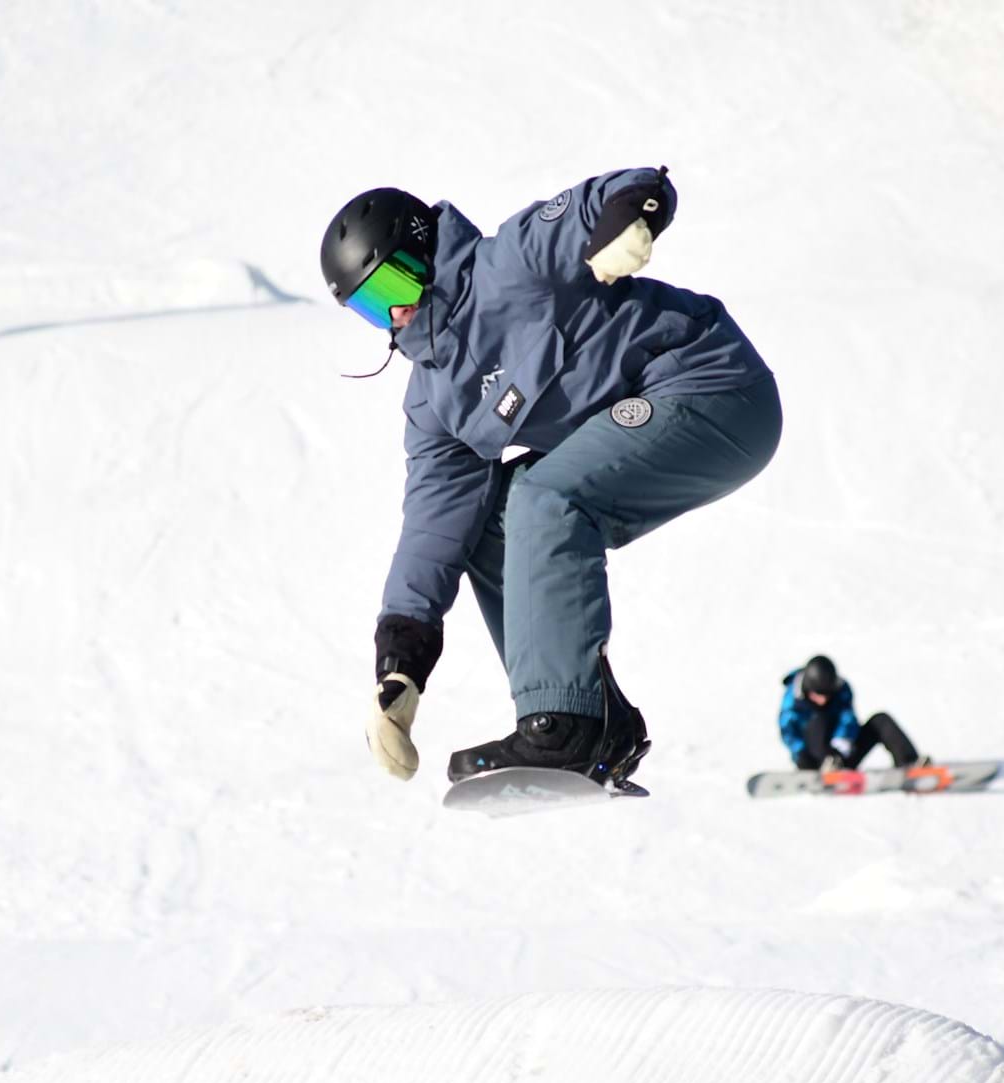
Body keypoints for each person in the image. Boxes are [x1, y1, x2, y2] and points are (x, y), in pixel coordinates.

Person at [320, 169, 781, 786]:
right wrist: (401, 659)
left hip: (715, 384)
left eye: (392, 285)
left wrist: (628, 221)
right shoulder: (435, 401)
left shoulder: (511, 264)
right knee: (494, 524)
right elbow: (433, 526)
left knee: (545, 497)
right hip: (653, 422)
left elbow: (620, 193)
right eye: (371, 306)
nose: (395, 312)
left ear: (423, 253)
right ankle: (583, 715)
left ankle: (566, 727)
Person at [778, 655, 924, 772]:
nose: (823, 700)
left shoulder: (841, 689)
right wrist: (801, 754)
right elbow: (788, 731)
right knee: (818, 720)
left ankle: (910, 764)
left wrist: (839, 746)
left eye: (827, 695)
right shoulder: (792, 699)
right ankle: (825, 767)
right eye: (819, 695)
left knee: (880, 720)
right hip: (812, 761)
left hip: (843, 753)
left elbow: (848, 719)